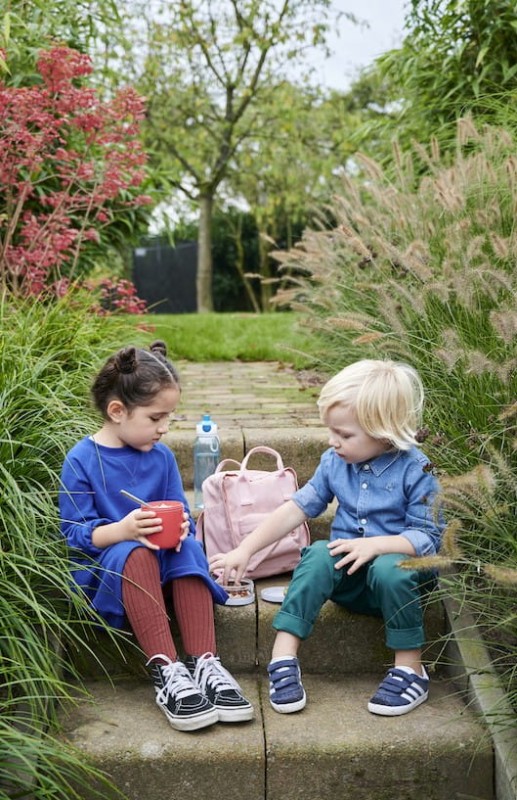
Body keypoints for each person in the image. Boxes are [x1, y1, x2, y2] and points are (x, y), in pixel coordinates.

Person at [210, 359, 445, 717]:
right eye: (331, 431)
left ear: (384, 431)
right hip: (349, 581)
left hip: (400, 583)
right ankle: (284, 659)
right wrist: (244, 549)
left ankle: (410, 668)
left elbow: (428, 538)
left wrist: (377, 545)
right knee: (318, 554)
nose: (333, 442)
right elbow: (295, 510)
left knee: (389, 569)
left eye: (345, 435)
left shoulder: (417, 469)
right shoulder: (335, 462)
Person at [59, 340, 253, 732]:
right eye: (155, 417)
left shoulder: (160, 456)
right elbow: (75, 535)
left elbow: (178, 509)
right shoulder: (81, 459)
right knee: (135, 552)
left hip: (161, 567)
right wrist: (124, 530)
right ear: (117, 411)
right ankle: (166, 669)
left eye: (169, 417)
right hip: (107, 571)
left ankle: (205, 663)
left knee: (187, 546)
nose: (164, 428)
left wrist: (183, 526)